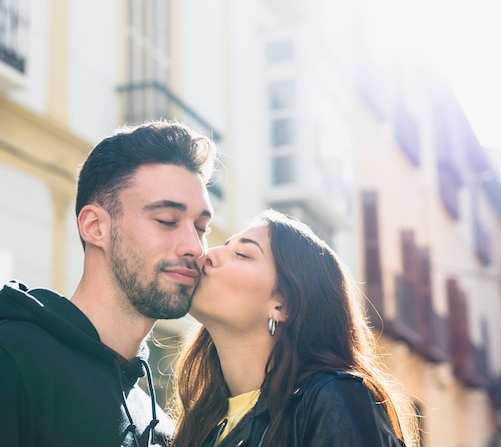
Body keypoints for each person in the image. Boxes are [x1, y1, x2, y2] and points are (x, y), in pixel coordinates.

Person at [0, 120, 217, 447]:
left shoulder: (160, 428)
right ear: (95, 226)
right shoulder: (11, 362)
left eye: (201, 227)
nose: (196, 247)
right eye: (167, 220)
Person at [171, 209, 419, 447]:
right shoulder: (201, 422)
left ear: (282, 306)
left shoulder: (333, 398)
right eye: (224, 245)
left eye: (242, 254)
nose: (208, 254)